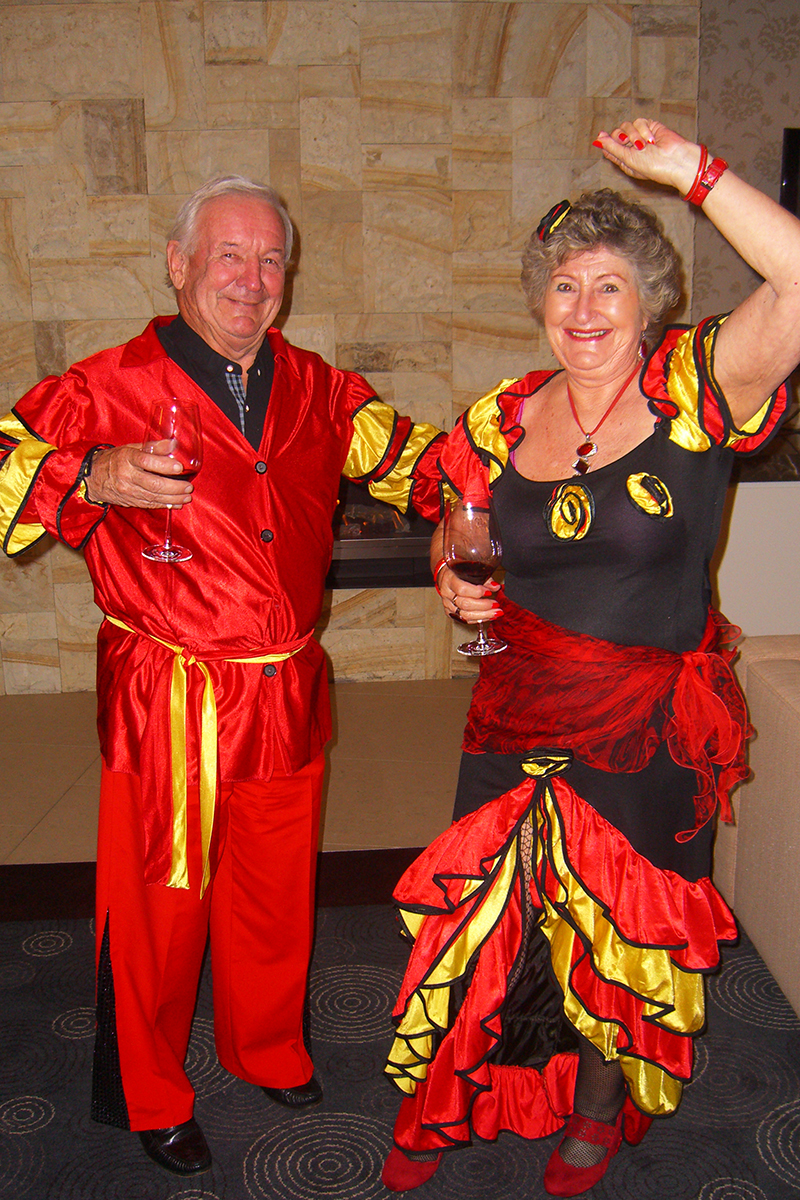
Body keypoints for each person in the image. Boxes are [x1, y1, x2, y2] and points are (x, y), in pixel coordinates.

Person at [381, 118, 800, 1198]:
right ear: (539, 301)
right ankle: (464, 1092)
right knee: (493, 916)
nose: (583, 308)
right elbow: (457, 525)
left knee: (619, 930)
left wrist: (694, 173)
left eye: (609, 286)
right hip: (512, 714)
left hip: (638, 732)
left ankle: (598, 1109)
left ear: (650, 301)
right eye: (564, 286)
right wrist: (449, 575)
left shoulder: (694, 392)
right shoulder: (502, 415)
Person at [0, 177, 445, 1177]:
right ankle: (151, 1089)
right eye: (228, 255)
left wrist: (529, 458)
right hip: (170, 695)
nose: (250, 279)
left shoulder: (321, 389)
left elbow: (420, 463)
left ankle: (266, 1048)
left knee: (274, 892)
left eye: (269, 259)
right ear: (179, 264)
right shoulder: (108, 383)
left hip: (282, 686)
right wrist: (91, 475)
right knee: (159, 909)